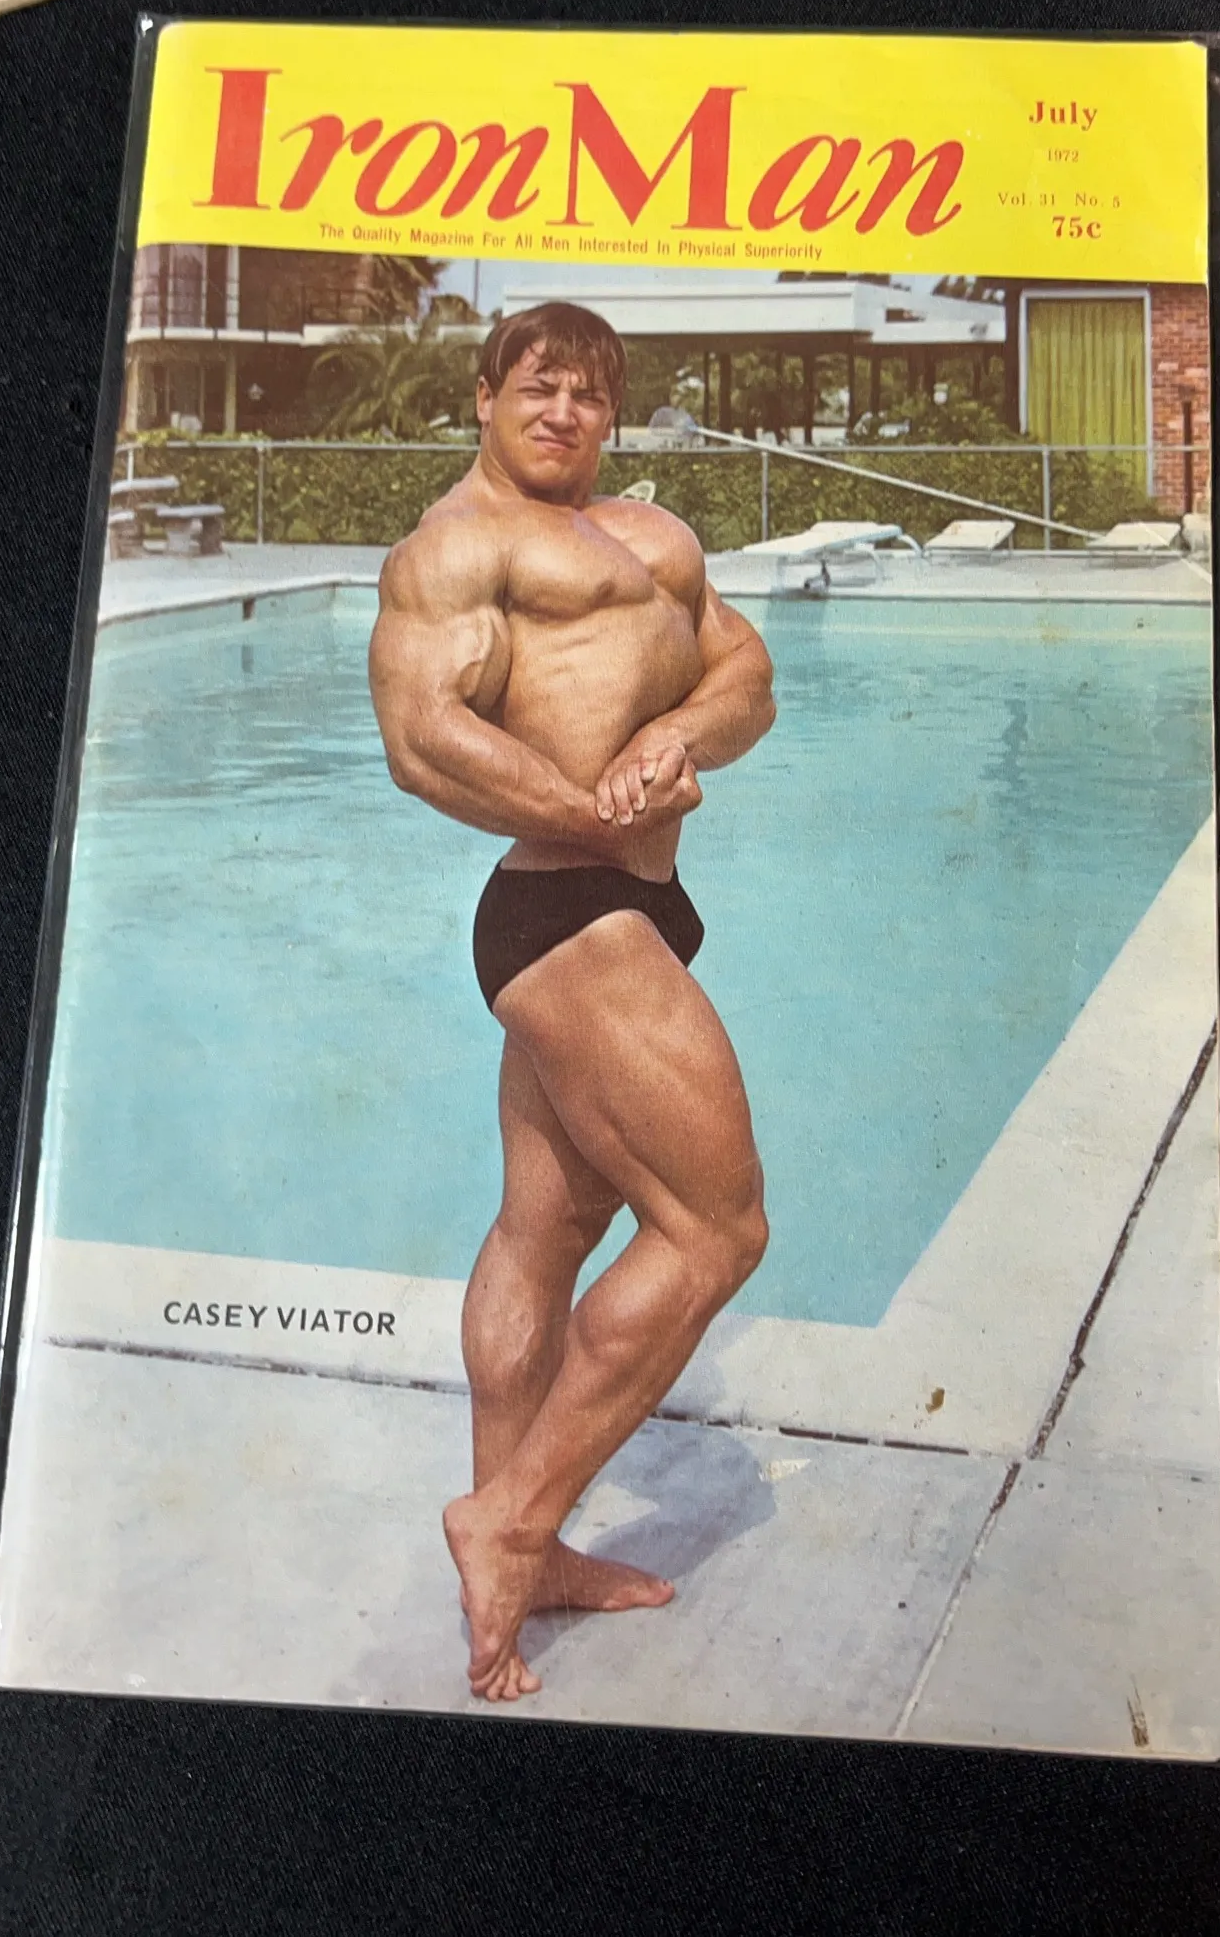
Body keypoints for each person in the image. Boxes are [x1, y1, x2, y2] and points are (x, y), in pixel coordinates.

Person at [369, 301, 776, 1702]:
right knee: (716, 1228)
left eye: (589, 395)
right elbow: (422, 740)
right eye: (538, 388)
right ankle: (513, 1518)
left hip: (619, 908)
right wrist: (596, 815)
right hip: (570, 916)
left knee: (545, 1230)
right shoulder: (457, 547)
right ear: (485, 396)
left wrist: (676, 731)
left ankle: (525, 1561)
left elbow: (746, 674)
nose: (563, 413)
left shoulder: (651, 534)